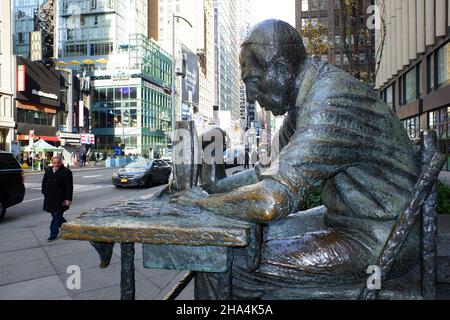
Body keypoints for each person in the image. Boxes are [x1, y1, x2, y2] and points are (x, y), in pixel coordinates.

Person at [171, 20, 421, 299]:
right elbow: (265, 172)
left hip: (381, 238)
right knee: (249, 241)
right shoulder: (304, 101)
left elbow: (270, 201)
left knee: (228, 262)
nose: (251, 95)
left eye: (252, 81)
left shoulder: (329, 101)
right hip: (349, 221)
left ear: (279, 70)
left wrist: (200, 205)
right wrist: (206, 191)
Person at [42, 156, 73, 241]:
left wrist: (68, 199)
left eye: (58, 162)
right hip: (49, 198)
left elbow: (69, 187)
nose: (56, 164)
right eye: (54, 163)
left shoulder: (66, 172)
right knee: (55, 215)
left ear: (61, 162)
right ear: (52, 162)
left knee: (56, 216)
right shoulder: (48, 170)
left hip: (61, 199)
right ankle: (69, 228)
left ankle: (53, 234)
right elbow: (44, 182)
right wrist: (44, 191)